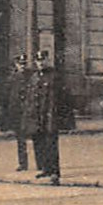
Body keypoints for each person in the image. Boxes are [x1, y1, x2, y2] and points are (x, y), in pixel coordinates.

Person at [24, 49, 64, 183]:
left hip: (50, 116)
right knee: (39, 143)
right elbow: (30, 99)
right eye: (38, 61)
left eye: (43, 60)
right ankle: (45, 169)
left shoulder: (54, 76)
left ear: (48, 61)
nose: (40, 63)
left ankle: (54, 171)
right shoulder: (34, 77)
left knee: (51, 143)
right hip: (37, 117)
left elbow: (61, 98)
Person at [1, 54, 30, 172]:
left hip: (29, 112)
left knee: (38, 138)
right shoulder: (12, 79)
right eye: (20, 64)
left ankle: (42, 164)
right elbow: (8, 97)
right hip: (18, 113)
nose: (22, 66)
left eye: (24, 64)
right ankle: (23, 163)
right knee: (21, 139)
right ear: (16, 65)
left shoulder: (32, 76)